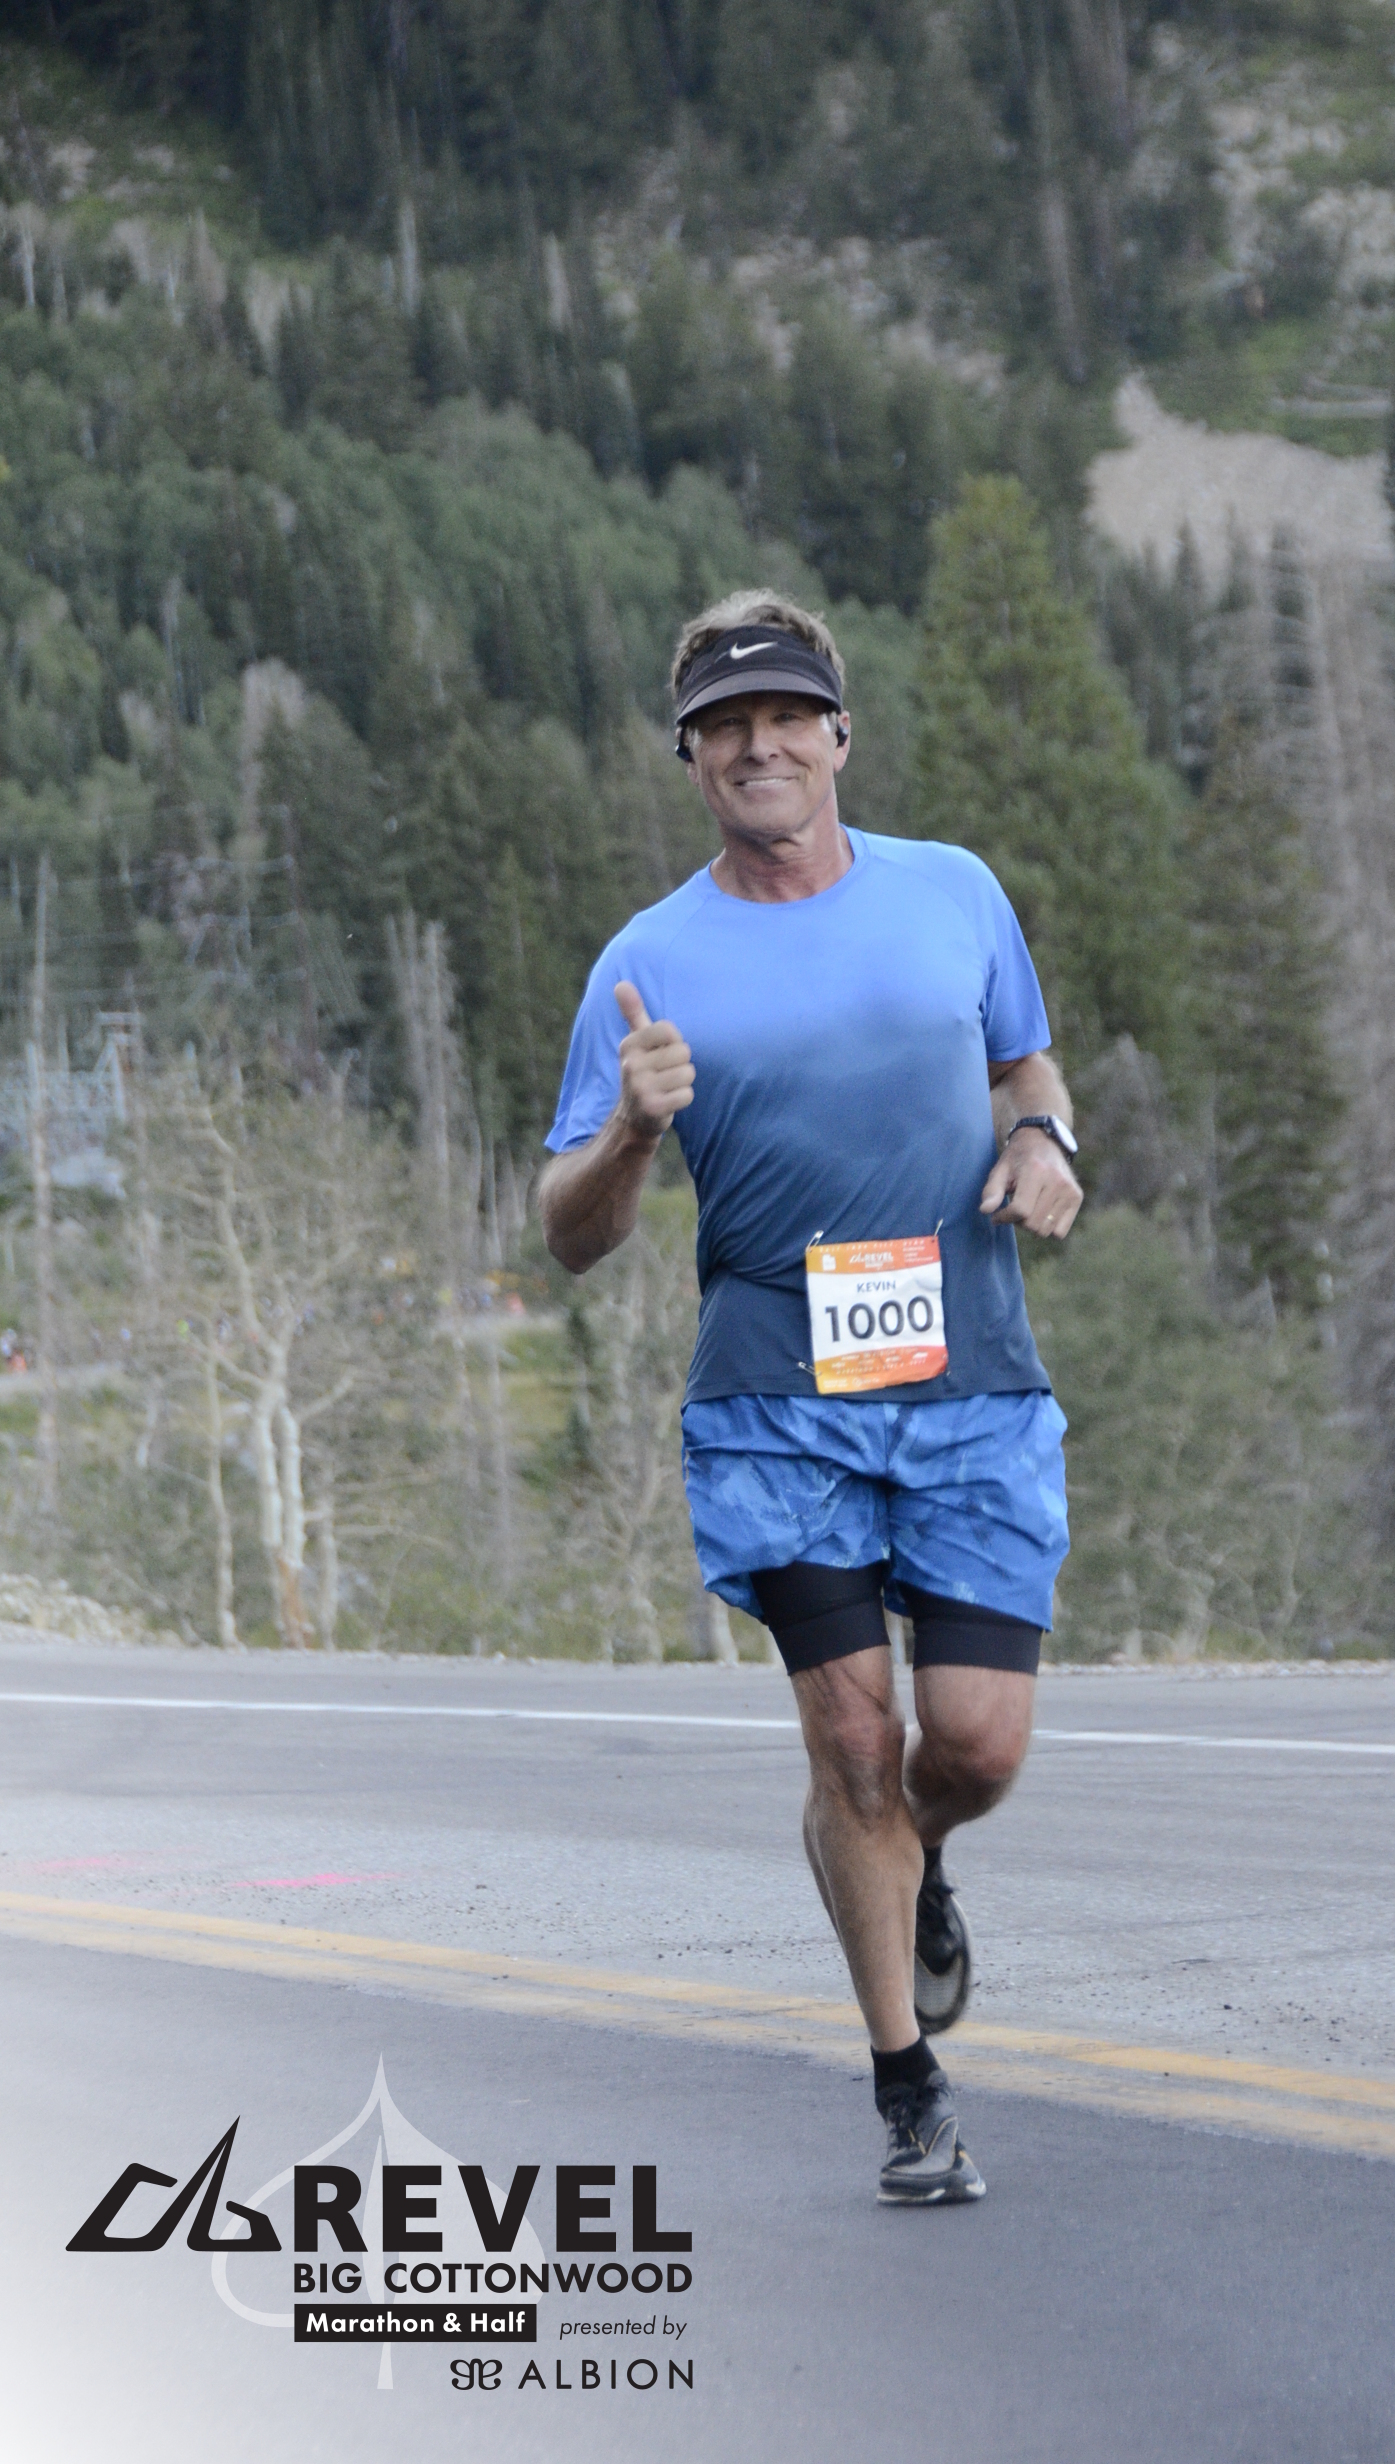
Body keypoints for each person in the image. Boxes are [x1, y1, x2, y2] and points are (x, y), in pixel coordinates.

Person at [540, 589, 1081, 2205]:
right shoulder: (646, 962)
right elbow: (568, 1235)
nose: (758, 745)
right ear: (692, 759)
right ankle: (908, 2088)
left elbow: (1026, 1063)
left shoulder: (955, 893)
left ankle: (922, 1859)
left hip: (970, 1380)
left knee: (968, 1748)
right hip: (776, 1400)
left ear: (839, 734)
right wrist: (632, 1132)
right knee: (853, 1740)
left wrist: (1045, 1140)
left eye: (785, 715)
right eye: (724, 725)